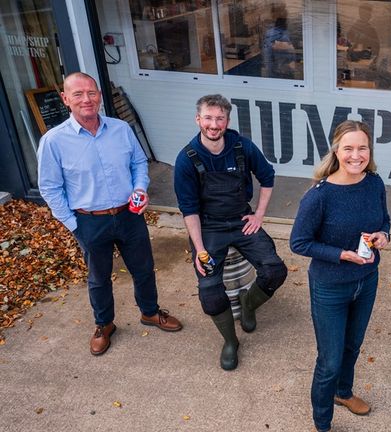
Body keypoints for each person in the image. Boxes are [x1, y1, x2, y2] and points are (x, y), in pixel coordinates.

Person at [37, 72, 182, 356]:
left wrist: (139, 188)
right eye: (78, 94)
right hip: (89, 221)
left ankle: (150, 312)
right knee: (99, 278)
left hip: (129, 215)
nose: (86, 99)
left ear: (100, 96)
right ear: (65, 99)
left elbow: (138, 163)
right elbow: (50, 187)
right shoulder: (54, 141)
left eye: (91, 92)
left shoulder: (121, 129)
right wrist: (73, 224)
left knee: (143, 269)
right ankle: (104, 324)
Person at [174, 94, 288, 371]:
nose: (214, 125)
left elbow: (268, 177)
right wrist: (199, 249)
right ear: (198, 119)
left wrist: (259, 214)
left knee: (275, 270)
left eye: (220, 118)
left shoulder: (242, 147)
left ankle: (248, 304)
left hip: (240, 221)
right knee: (210, 293)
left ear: (227, 121)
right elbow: (189, 209)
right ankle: (230, 341)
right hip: (208, 227)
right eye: (208, 118)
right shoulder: (186, 159)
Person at [290, 120, 391, 432]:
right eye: (348, 148)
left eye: (362, 148)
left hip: (367, 280)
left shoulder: (374, 183)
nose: (356, 155)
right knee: (330, 360)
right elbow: (299, 242)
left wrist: (383, 235)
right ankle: (322, 423)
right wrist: (341, 254)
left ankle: (343, 393)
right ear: (336, 150)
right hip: (330, 287)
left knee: (353, 346)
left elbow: (385, 220)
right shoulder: (319, 196)